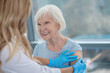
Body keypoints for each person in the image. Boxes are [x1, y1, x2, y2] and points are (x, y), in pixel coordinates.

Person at [0, 0, 86, 73]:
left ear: (58, 24)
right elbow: (36, 70)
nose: (41, 28)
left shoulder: (73, 47)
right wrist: (66, 68)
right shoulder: (38, 48)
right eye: (38, 24)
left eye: (47, 23)